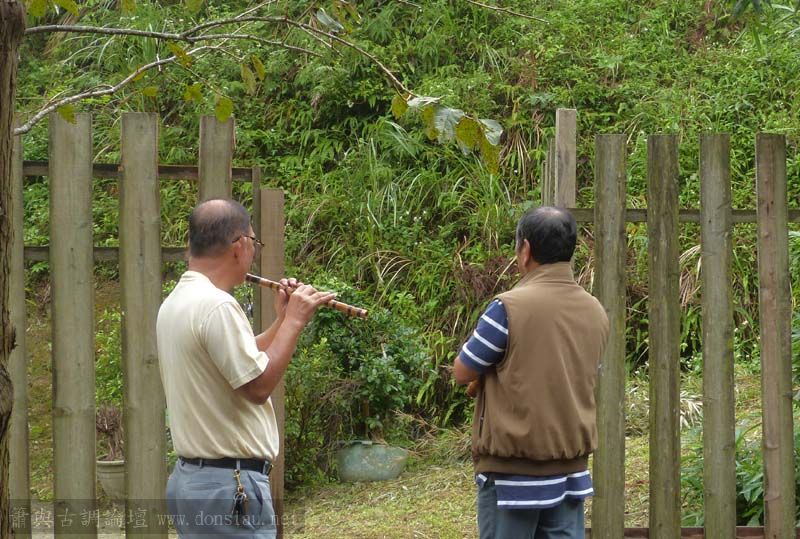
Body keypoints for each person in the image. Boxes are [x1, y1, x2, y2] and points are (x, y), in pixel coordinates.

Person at [157, 198, 335, 538]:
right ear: (239, 245)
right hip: (228, 485)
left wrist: (283, 320)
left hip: (195, 482)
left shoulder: (179, 300)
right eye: (254, 241)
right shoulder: (217, 305)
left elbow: (241, 359)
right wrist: (295, 322)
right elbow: (257, 386)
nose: (253, 250)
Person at [453, 206, 610, 539]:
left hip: (512, 475)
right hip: (570, 472)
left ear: (525, 250)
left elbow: (463, 371)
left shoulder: (508, 308)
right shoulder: (595, 310)